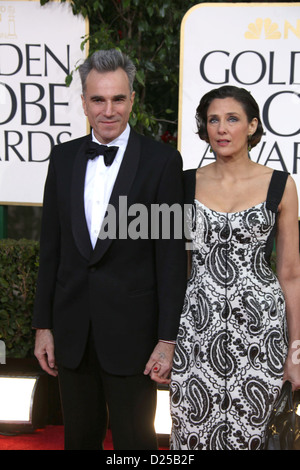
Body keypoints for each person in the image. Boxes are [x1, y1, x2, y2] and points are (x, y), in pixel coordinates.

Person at [32, 49, 187, 450]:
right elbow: (51, 247)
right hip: (72, 332)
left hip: (133, 336)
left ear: (132, 99)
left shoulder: (162, 162)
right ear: (83, 101)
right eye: (98, 99)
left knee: (136, 442)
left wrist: (167, 339)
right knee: (79, 439)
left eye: (118, 99)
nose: (108, 110)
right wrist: (43, 325)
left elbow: (169, 257)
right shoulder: (63, 157)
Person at [170, 85, 300, 450]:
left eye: (232, 119)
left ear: (252, 126)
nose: (222, 129)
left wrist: (296, 353)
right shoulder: (184, 183)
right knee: (193, 431)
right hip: (197, 330)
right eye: (213, 120)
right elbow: (168, 265)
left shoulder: (280, 185)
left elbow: (290, 275)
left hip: (263, 336)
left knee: (257, 436)